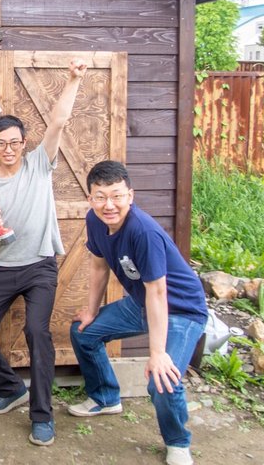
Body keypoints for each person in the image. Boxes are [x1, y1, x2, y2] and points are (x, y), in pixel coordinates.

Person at [0, 59, 87, 448]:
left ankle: (42, 415)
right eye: (1, 143)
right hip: (3, 267)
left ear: (23, 143)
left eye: (15, 142)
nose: (9, 149)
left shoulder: (38, 165)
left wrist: (73, 80)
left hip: (40, 266)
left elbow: (59, 123)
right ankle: (9, 387)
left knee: (37, 333)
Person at [69, 160, 207, 465]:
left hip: (182, 310)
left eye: (117, 196)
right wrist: (91, 311)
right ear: (90, 198)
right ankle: (105, 397)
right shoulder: (95, 221)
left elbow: (158, 293)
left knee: (162, 377)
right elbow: (98, 266)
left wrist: (157, 352)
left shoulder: (142, 232)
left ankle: (178, 442)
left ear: (130, 195)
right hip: (142, 304)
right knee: (83, 332)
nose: (109, 205)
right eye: (101, 196)